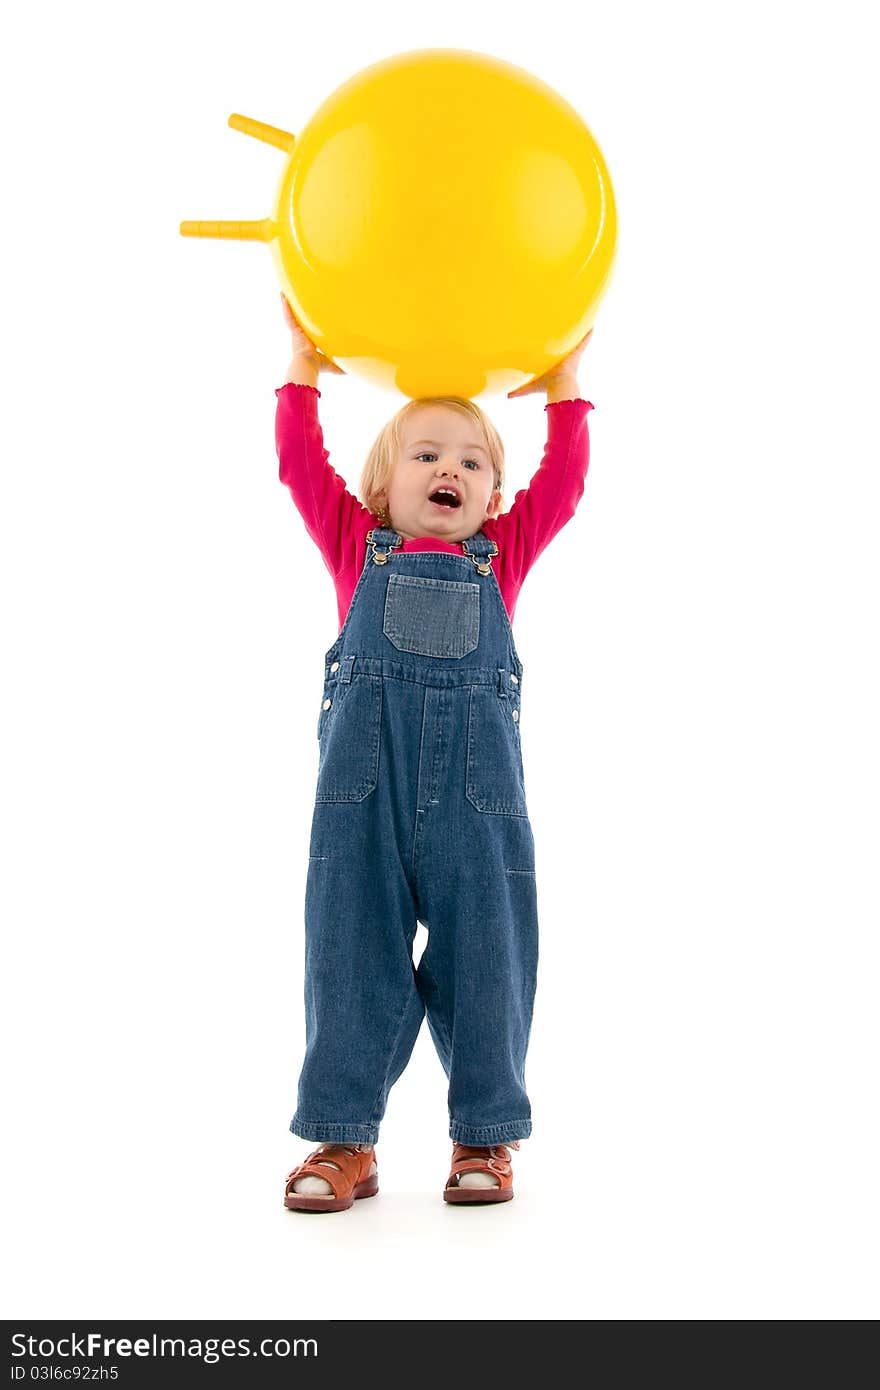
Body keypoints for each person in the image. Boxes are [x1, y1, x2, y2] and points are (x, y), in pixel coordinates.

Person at [276, 294, 594, 1209]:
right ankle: (345, 1139)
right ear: (383, 489)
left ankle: (485, 1140)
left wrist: (566, 390)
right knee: (346, 955)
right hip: (360, 804)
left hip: (477, 804)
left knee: (490, 958)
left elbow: (565, 484)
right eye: (426, 455)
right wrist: (300, 374)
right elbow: (301, 470)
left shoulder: (507, 551)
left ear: (494, 494)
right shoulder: (353, 548)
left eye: (471, 461)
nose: (449, 469)